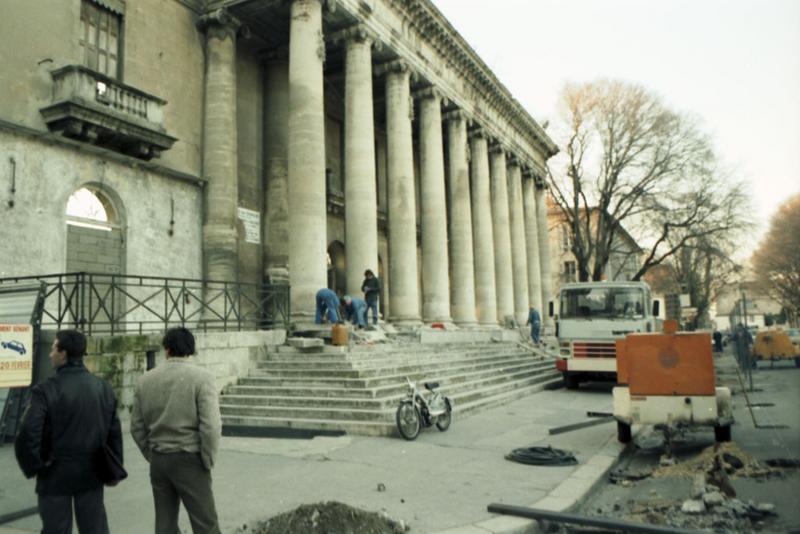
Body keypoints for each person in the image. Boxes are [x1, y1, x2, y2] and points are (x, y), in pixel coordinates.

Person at [15, 329, 122, 534]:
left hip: (54, 473)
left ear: (63, 353)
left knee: (56, 529)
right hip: (92, 473)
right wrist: (113, 468)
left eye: (53, 348)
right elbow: (113, 432)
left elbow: (29, 431)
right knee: (94, 529)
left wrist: (35, 465)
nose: (50, 353)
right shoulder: (102, 388)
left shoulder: (45, 390)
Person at [131, 327, 221, 534]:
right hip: (190, 458)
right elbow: (211, 425)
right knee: (205, 523)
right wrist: (208, 458)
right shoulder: (202, 377)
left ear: (167, 349)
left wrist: (151, 454)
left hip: (159, 459)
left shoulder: (145, 380)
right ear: (192, 349)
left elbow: (136, 426)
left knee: (165, 524)